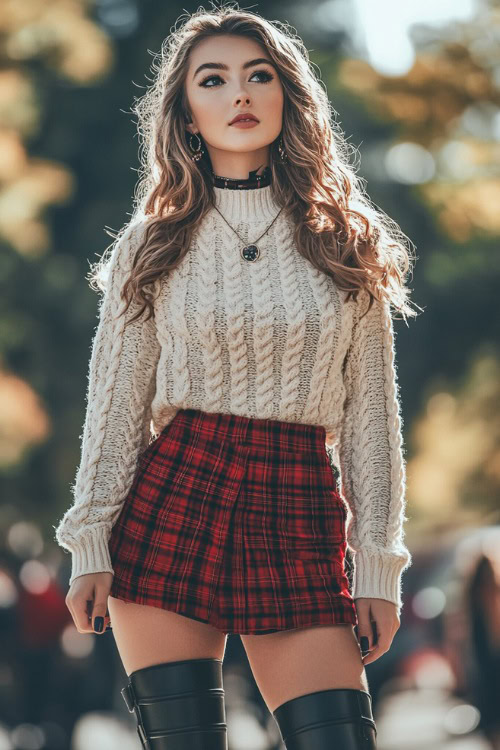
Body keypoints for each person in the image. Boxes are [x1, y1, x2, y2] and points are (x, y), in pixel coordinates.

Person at [53, 5, 421, 749]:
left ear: (288, 95)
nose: (240, 95)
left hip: (298, 503)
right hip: (173, 495)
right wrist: (89, 541)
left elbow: (373, 419)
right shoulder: (152, 243)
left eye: (258, 76)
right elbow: (116, 406)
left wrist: (377, 564)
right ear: (187, 111)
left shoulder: (346, 243)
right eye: (213, 80)